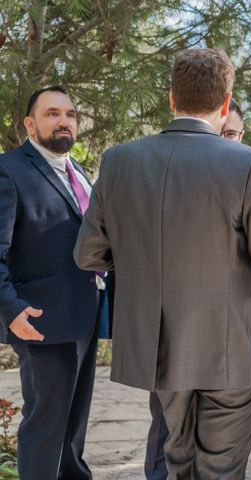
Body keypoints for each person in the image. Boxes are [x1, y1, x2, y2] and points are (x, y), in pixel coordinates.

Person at [74, 48, 251, 479]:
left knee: (179, 464)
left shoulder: (119, 159)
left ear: (171, 99)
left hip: (159, 348)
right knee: (220, 470)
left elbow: (88, 254)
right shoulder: (249, 162)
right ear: (225, 103)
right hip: (232, 350)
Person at [144, 96, 247, 480]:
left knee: (203, 452)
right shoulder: (171, 173)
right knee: (168, 437)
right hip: (170, 332)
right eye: (224, 132)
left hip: (227, 336)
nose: (225, 140)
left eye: (233, 134)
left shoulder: (249, 169)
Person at [0, 86, 100, 479]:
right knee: (45, 425)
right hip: (38, 319)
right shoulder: (9, 169)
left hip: (83, 316)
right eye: (52, 114)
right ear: (30, 123)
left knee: (73, 426)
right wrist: (11, 309)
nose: (64, 122)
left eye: (70, 115)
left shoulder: (78, 172)